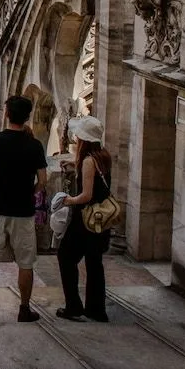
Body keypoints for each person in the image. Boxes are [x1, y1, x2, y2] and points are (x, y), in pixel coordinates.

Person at [0, 95, 47, 323]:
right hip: (23, 211)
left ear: (6, 114)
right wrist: (30, 191)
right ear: (27, 117)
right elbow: (43, 181)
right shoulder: (34, 145)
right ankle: (24, 309)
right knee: (26, 262)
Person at [56, 116, 112, 322]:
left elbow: (86, 195)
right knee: (94, 262)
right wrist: (73, 163)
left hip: (86, 220)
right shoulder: (103, 156)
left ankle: (73, 305)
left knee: (65, 256)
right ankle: (96, 310)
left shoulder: (89, 161)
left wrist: (68, 200)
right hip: (101, 219)